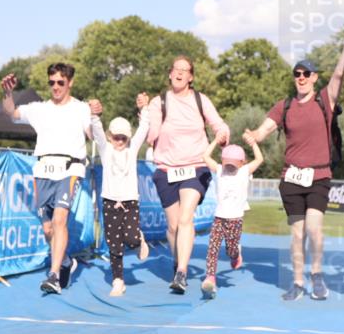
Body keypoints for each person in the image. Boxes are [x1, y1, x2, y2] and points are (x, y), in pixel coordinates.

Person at [244, 31, 344, 302]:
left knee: (314, 228)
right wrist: (254, 135)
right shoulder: (285, 106)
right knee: (297, 233)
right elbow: (265, 129)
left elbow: (339, 74)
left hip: (319, 176)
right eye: (297, 74)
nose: (301, 78)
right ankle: (298, 282)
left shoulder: (324, 100)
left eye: (306, 74)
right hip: (291, 178)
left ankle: (317, 275)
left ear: (315, 78)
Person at [1, 63, 99, 295]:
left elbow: (93, 135)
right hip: (43, 170)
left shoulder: (81, 108)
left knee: (59, 219)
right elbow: (11, 113)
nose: (56, 87)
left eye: (60, 82)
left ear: (70, 82)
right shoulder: (39, 109)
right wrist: (7, 93)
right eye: (52, 82)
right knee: (47, 230)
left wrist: (96, 115)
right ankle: (65, 262)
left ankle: (53, 275)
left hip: (70, 168)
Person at [146, 55, 230, 294]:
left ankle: (182, 272)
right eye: (176, 69)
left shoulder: (200, 100)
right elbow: (151, 135)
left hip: (196, 166)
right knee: (173, 227)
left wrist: (223, 134)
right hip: (166, 169)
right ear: (170, 74)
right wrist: (145, 114)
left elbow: (219, 124)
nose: (180, 73)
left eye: (185, 70)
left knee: (185, 218)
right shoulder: (159, 102)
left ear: (191, 77)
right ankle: (177, 263)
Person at [90, 93, 153, 297]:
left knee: (131, 239)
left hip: (130, 202)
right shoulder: (105, 150)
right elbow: (97, 131)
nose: (119, 141)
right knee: (114, 245)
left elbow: (144, 128)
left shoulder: (132, 150)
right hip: (110, 202)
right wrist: (94, 115)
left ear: (128, 138)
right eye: (116, 137)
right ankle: (118, 280)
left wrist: (144, 109)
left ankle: (139, 240)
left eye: (123, 137)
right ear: (110, 136)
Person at [199, 132, 264, 299]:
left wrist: (253, 144)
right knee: (212, 248)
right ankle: (210, 277)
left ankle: (236, 254)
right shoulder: (219, 170)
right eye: (227, 163)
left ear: (242, 162)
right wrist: (215, 140)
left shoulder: (244, 172)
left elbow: (259, 159)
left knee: (231, 250)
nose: (230, 167)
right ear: (222, 161)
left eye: (234, 164)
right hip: (219, 218)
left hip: (235, 220)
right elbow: (205, 156)